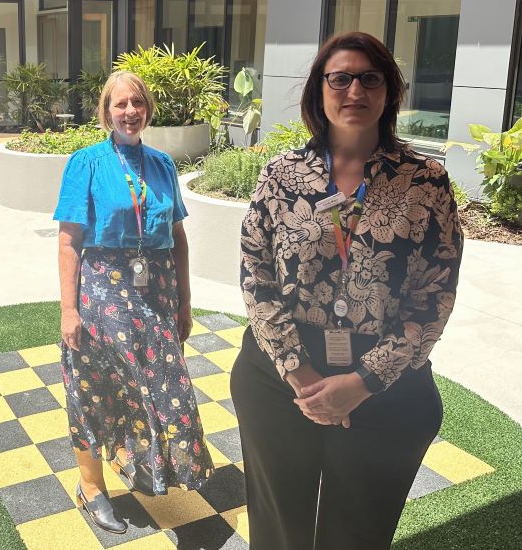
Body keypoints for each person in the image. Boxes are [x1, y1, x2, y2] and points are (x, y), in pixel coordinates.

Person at [230, 31, 463, 549]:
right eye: (340, 78)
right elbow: (255, 275)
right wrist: (301, 374)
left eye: (369, 78)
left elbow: (434, 295)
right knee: (278, 528)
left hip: (386, 383)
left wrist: (361, 381)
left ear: (388, 92)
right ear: (320, 91)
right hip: (279, 376)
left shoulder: (425, 181)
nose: (354, 90)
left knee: (357, 532)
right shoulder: (282, 174)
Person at [54, 71, 214, 534]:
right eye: (121, 104)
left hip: (157, 292)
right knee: (96, 388)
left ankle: (135, 457)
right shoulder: (85, 163)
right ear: (106, 111)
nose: (130, 111)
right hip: (102, 292)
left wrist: (184, 302)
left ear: (147, 110)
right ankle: (91, 486)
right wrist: (69, 309)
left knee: (166, 389)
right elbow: (68, 242)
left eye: (137, 103)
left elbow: (178, 238)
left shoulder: (163, 164)